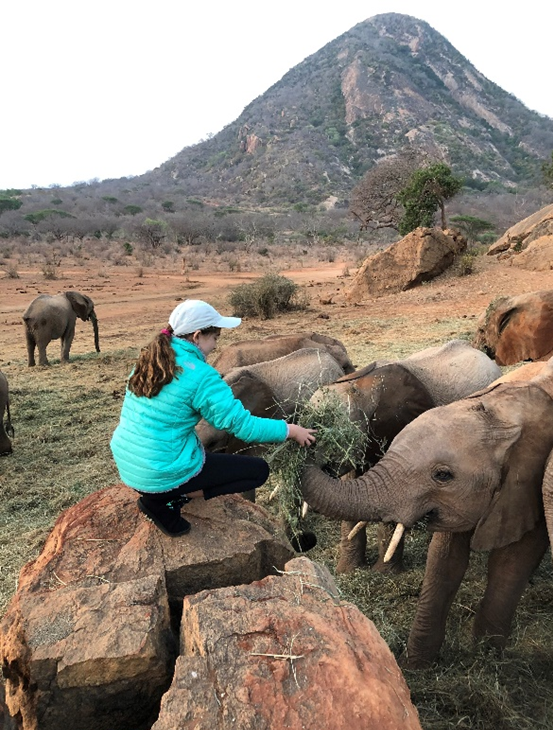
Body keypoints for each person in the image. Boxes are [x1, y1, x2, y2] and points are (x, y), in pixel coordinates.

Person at [110, 299, 316, 537]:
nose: (216, 345)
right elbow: (242, 426)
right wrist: (290, 430)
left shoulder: (150, 359)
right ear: (197, 336)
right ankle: (167, 500)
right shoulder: (202, 376)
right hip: (160, 472)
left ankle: (162, 494)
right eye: (215, 337)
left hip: (127, 463)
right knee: (258, 471)